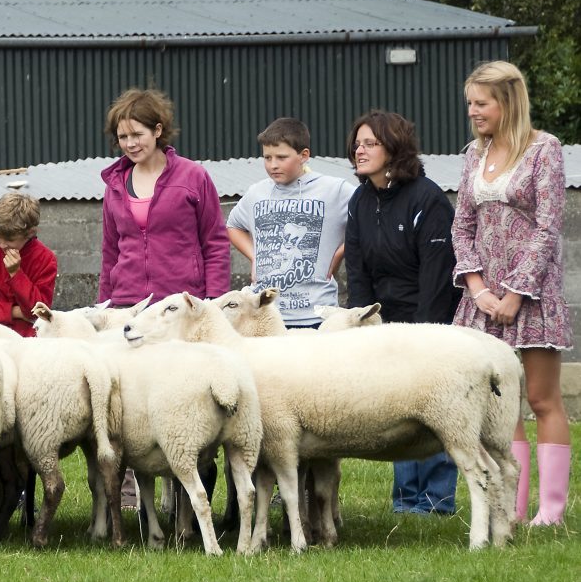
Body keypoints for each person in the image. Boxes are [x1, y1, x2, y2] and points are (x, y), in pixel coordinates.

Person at [451, 60, 572, 525]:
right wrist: (478, 287)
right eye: (470, 104)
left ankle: (552, 510)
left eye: (481, 104)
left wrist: (517, 293)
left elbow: (548, 227)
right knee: (501, 407)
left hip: (533, 294)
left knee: (543, 399)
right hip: (484, 298)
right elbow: (462, 223)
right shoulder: (473, 155)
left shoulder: (545, 149)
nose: (474, 112)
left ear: (508, 101)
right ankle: (512, 507)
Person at [343, 110, 461, 514]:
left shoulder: (427, 198)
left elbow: (439, 275)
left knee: (434, 413)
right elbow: (357, 272)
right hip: (384, 328)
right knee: (399, 415)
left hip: (429, 325)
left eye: (370, 143)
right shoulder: (360, 201)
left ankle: (437, 501)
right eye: (357, 143)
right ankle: (406, 501)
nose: (360, 150)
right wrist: (362, 325)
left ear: (394, 148)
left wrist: (425, 334)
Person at [99, 88, 230, 306]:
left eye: (138, 134)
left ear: (157, 130)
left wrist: (215, 300)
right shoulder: (114, 185)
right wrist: (103, 306)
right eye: (123, 137)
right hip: (126, 305)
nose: (130, 144)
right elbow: (110, 251)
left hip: (181, 304)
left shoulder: (193, 176)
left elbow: (215, 243)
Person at [226, 118, 354, 327]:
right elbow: (233, 226)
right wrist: (255, 257)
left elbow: (370, 222)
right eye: (267, 157)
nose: (273, 165)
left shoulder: (335, 190)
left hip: (317, 318)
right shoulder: (256, 192)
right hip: (266, 318)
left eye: (281, 157)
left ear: (304, 155)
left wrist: (340, 252)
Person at [0, 189, 57, 336]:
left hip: (28, 341)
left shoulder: (45, 259)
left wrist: (16, 273)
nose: (2, 244)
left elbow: (39, 312)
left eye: (9, 240)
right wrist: (14, 312)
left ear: (30, 234)